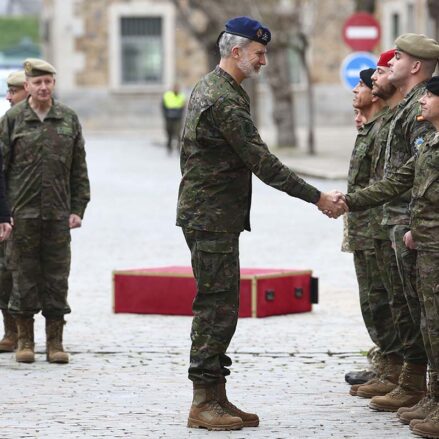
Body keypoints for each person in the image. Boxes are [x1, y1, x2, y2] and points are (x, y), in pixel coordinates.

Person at [176, 16, 346, 431]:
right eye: (260, 53)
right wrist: (318, 197)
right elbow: (262, 162)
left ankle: (216, 394)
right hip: (211, 216)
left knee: (222, 305)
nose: (265, 61)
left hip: (212, 215)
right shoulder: (224, 99)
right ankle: (202, 401)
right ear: (237, 52)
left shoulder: (218, 87)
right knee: (217, 307)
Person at [343, 74, 439, 439]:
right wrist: (348, 202)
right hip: (425, 244)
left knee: (434, 321)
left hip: (432, 245)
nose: (423, 100)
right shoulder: (430, 145)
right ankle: (433, 394)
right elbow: (399, 181)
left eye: (430, 95)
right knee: (427, 320)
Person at [0, 58, 90, 364]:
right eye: (36, 83)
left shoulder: (68, 118)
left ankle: (55, 343)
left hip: (57, 214)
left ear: (53, 84)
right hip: (20, 214)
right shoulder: (12, 119)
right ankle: (24, 340)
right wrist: (2, 213)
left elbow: (79, 167)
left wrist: (78, 207)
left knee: (56, 277)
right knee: (22, 276)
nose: (42, 87)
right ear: (27, 86)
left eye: (47, 82)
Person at [349, 51, 407, 400]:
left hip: (382, 227)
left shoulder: (389, 125)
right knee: (373, 299)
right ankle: (390, 363)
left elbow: (389, 180)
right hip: (366, 226)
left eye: (365, 82)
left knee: (388, 300)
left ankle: (399, 369)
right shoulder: (372, 126)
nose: (358, 89)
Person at [0, 70, 28, 353]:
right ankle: (11, 331)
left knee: (34, 273)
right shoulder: (5, 123)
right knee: (5, 272)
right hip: (8, 211)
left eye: (14, 90)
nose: (9, 96)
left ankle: (30, 333)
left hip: (35, 211)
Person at [162, 84, 185, 153]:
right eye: (175, 88)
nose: (176, 89)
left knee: (178, 133)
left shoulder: (182, 95)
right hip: (169, 117)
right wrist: (165, 115)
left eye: (177, 88)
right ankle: (169, 147)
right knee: (169, 133)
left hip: (177, 118)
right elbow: (163, 106)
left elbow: (183, 106)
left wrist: (180, 114)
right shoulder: (167, 95)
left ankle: (178, 148)